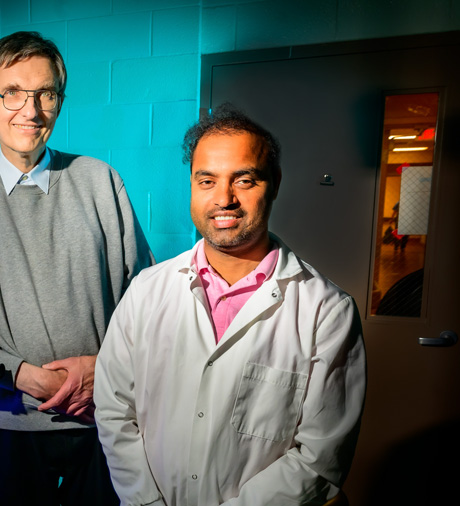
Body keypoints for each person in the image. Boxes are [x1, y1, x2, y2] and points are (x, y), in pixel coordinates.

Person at [94, 104, 367, 505]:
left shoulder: (326, 311)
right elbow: (115, 410)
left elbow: (319, 457)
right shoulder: (146, 291)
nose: (224, 198)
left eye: (244, 180)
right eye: (207, 180)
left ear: (273, 183)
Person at [0, 31, 154, 506]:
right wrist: (28, 376)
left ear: (59, 101)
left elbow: (147, 299)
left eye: (45, 94)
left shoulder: (100, 181)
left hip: (105, 414)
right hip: (10, 424)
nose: (30, 111)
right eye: (12, 93)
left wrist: (102, 370)